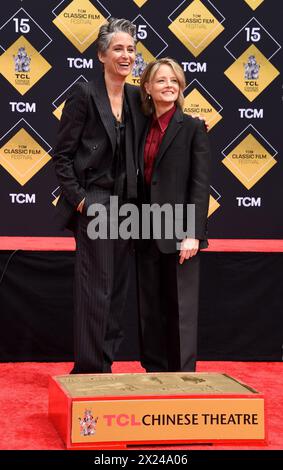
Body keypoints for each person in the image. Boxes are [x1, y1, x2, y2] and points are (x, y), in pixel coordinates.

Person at [52, 18, 146, 373]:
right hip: (95, 203)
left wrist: (196, 123)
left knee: (117, 290)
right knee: (96, 291)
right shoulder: (84, 94)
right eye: (119, 49)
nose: (126, 55)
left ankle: (104, 364)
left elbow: (170, 120)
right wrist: (79, 200)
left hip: (129, 207)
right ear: (102, 55)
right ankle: (89, 371)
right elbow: (62, 155)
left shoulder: (138, 97)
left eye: (131, 49)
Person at [137, 58, 211, 373]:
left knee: (181, 309)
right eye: (161, 81)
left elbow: (199, 183)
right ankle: (154, 373)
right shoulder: (140, 127)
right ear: (147, 88)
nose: (169, 86)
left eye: (174, 81)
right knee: (149, 308)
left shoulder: (193, 127)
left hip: (181, 233)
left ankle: (181, 377)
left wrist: (193, 233)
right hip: (143, 230)